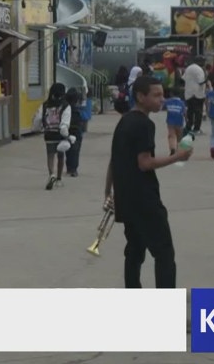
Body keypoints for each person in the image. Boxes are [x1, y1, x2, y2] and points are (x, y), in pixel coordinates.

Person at [104, 75, 189, 289]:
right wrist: (177, 157)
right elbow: (145, 163)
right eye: (156, 95)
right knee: (164, 254)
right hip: (144, 200)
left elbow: (114, 161)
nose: (162, 100)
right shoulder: (144, 124)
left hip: (126, 199)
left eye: (163, 95)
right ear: (141, 97)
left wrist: (109, 192)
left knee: (134, 251)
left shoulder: (124, 120)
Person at [33, 83, 72, 190]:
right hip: (60, 135)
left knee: (50, 155)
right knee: (60, 156)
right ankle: (59, 179)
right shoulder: (65, 105)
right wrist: (66, 134)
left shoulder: (45, 105)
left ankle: (51, 175)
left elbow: (37, 118)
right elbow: (65, 122)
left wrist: (36, 128)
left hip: (49, 133)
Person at [63, 88, 86, 178]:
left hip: (68, 131)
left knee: (68, 149)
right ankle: (74, 169)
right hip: (76, 131)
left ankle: (69, 167)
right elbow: (83, 120)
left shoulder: (65, 108)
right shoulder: (78, 110)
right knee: (75, 150)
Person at [182, 56, 207, 134]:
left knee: (190, 111)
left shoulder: (188, 68)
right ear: (200, 62)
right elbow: (201, 82)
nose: (204, 63)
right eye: (203, 61)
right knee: (198, 112)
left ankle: (188, 127)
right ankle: (196, 129)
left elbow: (183, 79)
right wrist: (206, 79)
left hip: (188, 93)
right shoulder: (199, 70)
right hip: (197, 94)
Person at [163, 87, 186, 155]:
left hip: (170, 121)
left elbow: (163, 106)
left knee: (171, 135)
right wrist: (186, 119)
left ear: (171, 94)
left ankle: (172, 148)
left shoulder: (168, 101)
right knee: (179, 136)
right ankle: (179, 150)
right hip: (179, 121)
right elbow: (184, 112)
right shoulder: (182, 103)